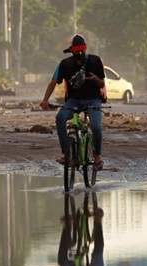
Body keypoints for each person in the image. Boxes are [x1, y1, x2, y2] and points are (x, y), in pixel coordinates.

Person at [40, 34, 106, 170]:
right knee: (60, 117)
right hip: (73, 101)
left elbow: (101, 85)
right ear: (72, 50)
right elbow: (53, 82)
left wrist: (95, 79)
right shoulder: (65, 64)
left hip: (93, 100)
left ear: (85, 48)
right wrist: (45, 100)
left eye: (82, 50)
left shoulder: (95, 61)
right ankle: (66, 153)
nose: (80, 53)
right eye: (78, 50)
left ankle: (98, 156)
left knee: (95, 126)